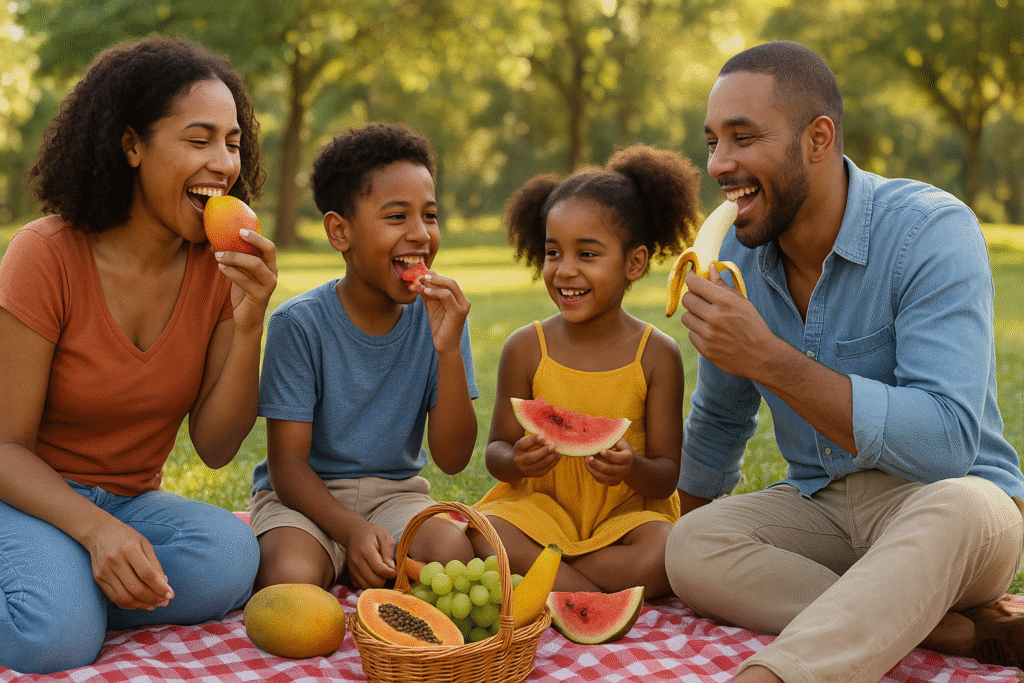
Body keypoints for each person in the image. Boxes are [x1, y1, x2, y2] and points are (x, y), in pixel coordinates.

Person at [665, 40, 1024, 683]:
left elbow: (947, 442)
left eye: (743, 139)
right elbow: (719, 420)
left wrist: (771, 359)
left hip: (943, 507)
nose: (720, 163)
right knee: (693, 545)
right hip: (821, 506)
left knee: (970, 506)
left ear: (818, 138)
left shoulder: (932, 231)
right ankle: (943, 626)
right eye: (713, 141)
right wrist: (675, 538)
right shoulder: (737, 261)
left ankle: (774, 676)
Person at [0, 36, 276, 674]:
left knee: (231, 556)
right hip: (24, 498)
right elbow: (6, 447)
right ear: (131, 145)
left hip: (129, 503)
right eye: (199, 139)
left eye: (233, 143)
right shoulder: (46, 256)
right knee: (57, 642)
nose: (224, 163)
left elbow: (215, 447)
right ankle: (57, 597)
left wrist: (250, 321)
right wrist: (94, 532)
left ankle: (64, 590)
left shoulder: (219, 267)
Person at [250, 122, 479, 592]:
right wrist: (351, 532)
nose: (420, 234)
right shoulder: (299, 324)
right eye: (397, 217)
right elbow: (287, 466)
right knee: (290, 576)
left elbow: (453, 459)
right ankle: (344, 561)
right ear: (340, 232)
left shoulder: (443, 321)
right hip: (304, 499)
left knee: (453, 553)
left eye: (430, 216)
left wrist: (448, 351)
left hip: (395, 496)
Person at [472, 145, 698, 598]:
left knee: (664, 551)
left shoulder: (657, 354)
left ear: (634, 262)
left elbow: (667, 474)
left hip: (623, 519)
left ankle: (549, 578)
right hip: (540, 510)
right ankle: (584, 596)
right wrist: (516, 460)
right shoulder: (525, 348)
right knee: (485, 529)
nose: (565, 270)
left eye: (588, 255)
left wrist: (631, 467)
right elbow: (495, 452)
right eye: (554, 252)